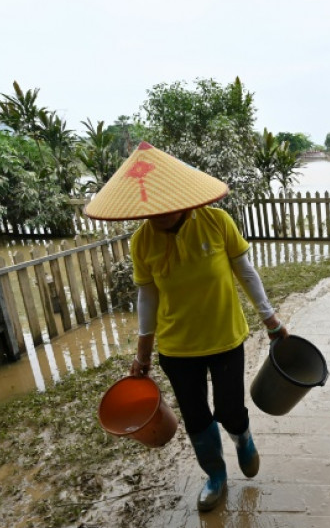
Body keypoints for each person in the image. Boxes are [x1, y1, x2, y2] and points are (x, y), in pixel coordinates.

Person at [84, 142, 288, 512]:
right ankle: (215, 476)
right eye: (152, 208)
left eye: (167, 203)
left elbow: (245, 272)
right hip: (177, 348)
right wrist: (142, 353)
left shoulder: (217, 221)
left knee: (229, 409)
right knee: (195, 416)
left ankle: (243, 439)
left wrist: (270, 319)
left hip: (224, 337)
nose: (160, 213)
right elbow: (147, 296)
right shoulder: (140, 241)